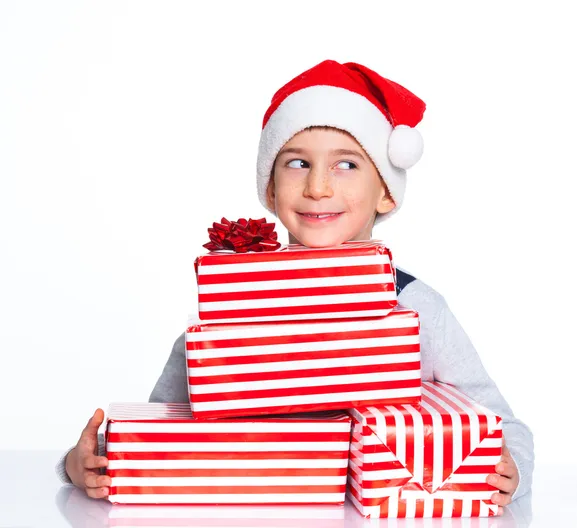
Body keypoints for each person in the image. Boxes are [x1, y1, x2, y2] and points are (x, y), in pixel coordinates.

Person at [55, 60, 534, 511]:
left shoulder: (414, 307)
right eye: (297, 163)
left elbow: (504, 426)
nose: (318, 187)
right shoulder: (233, 304)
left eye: (346, 164)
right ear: (269, 188)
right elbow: (160, 427)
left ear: (385, 191)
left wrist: (509, 470)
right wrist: (82, 464)